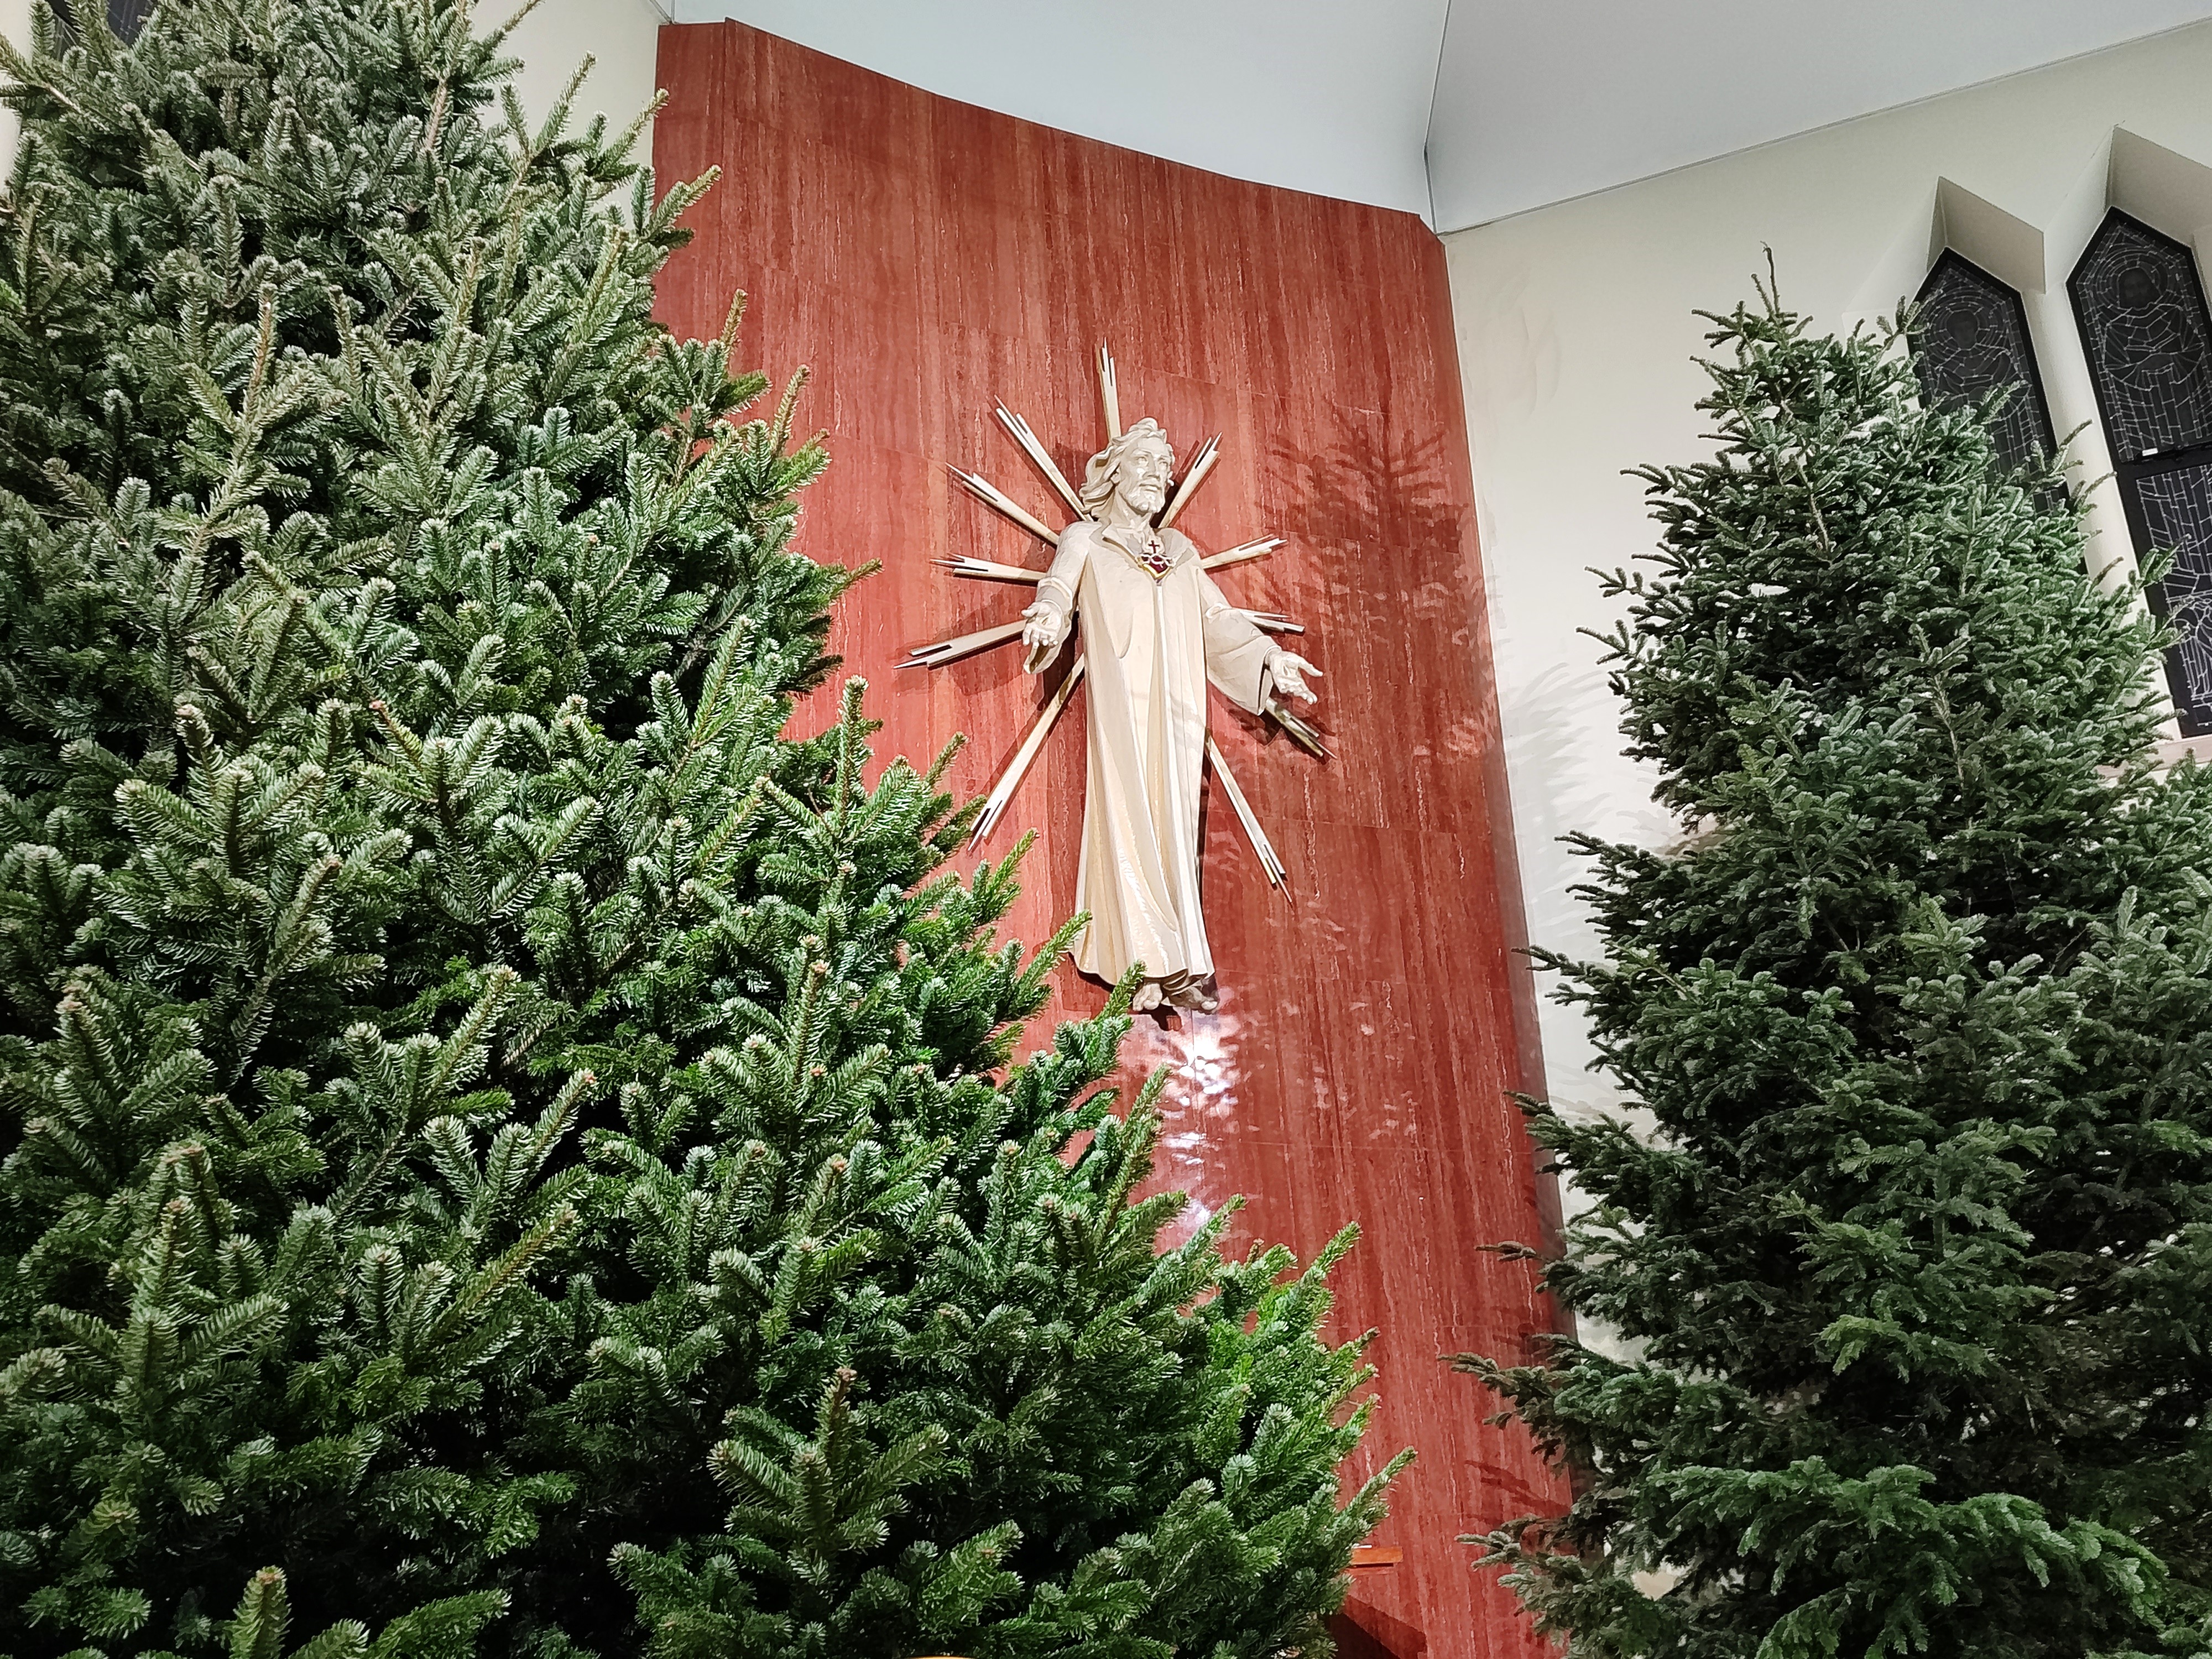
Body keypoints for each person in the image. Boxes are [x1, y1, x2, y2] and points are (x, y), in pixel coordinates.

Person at [1020, 418, 1320, 1012]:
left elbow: (1217, 620)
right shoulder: (1088, 539)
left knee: (1175, 821)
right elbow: (1058, 586)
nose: (1158, 475)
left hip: (1178, 701)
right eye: (1146, 462)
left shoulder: (1180, 551)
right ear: (1113, 472)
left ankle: (1174, 954)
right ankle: (1144, 961)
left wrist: (1270, 656)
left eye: (1165, 467)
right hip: (1122, 696)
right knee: (1127, 807)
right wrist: (1048, 617)